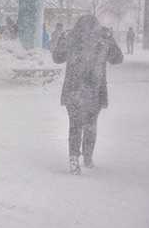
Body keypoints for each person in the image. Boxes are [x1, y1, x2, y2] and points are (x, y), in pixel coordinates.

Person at [52, 15, 123, 175]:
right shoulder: (103, 39)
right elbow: (117, 59)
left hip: (74, 90)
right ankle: (88, 157)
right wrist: (110, 39)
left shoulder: (71, 38)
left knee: (75, 125)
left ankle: (74, 159)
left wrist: (62, 39)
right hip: (95, 90)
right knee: (91, 125)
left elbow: (57, 58)